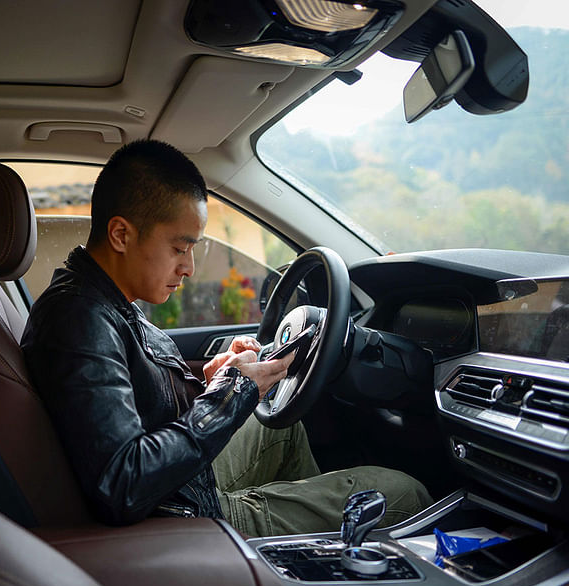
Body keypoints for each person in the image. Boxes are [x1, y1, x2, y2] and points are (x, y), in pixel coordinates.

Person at [21, 139, 431, 537]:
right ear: (121, 235)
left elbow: (136, 397)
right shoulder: (82, 318)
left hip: (176, 485)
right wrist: (233, 392)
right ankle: (269, 544)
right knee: (402, 492)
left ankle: (298, 553)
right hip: (177, 517)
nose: (190, 267)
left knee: (280, 427)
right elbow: (124, 483)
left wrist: (212, 381)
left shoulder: (97, 299)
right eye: (181, 248)